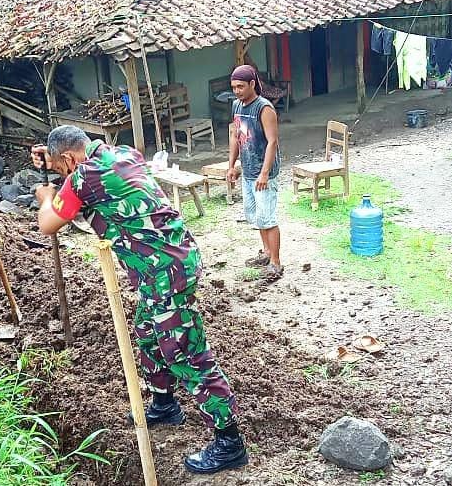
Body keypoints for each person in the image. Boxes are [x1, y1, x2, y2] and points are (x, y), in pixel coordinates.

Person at [31, 126, 247, 475]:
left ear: (70, 159)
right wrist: (53, 158)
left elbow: (47, 224)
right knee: (147, 333)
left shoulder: (85, 177)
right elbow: (77, 162)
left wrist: (46, 193)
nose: (60, 174)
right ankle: (164, 404)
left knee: (186, 352)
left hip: (165, 272)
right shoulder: (122, 153)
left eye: (60, 167)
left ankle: (229, 442)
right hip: (165, 265)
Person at [227, 64, 282, 277]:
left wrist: (265, 173)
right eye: (233, 87)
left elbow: (272, 142)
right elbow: (235, 136)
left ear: (252, 84)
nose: (237, 91)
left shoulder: (264, 108)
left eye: (241, 86)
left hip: (263, 173)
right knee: (257, 216)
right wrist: (232, 165)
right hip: (248, 169)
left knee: (268, 217)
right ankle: (266, 252)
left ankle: (276, 262)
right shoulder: (236, 106)